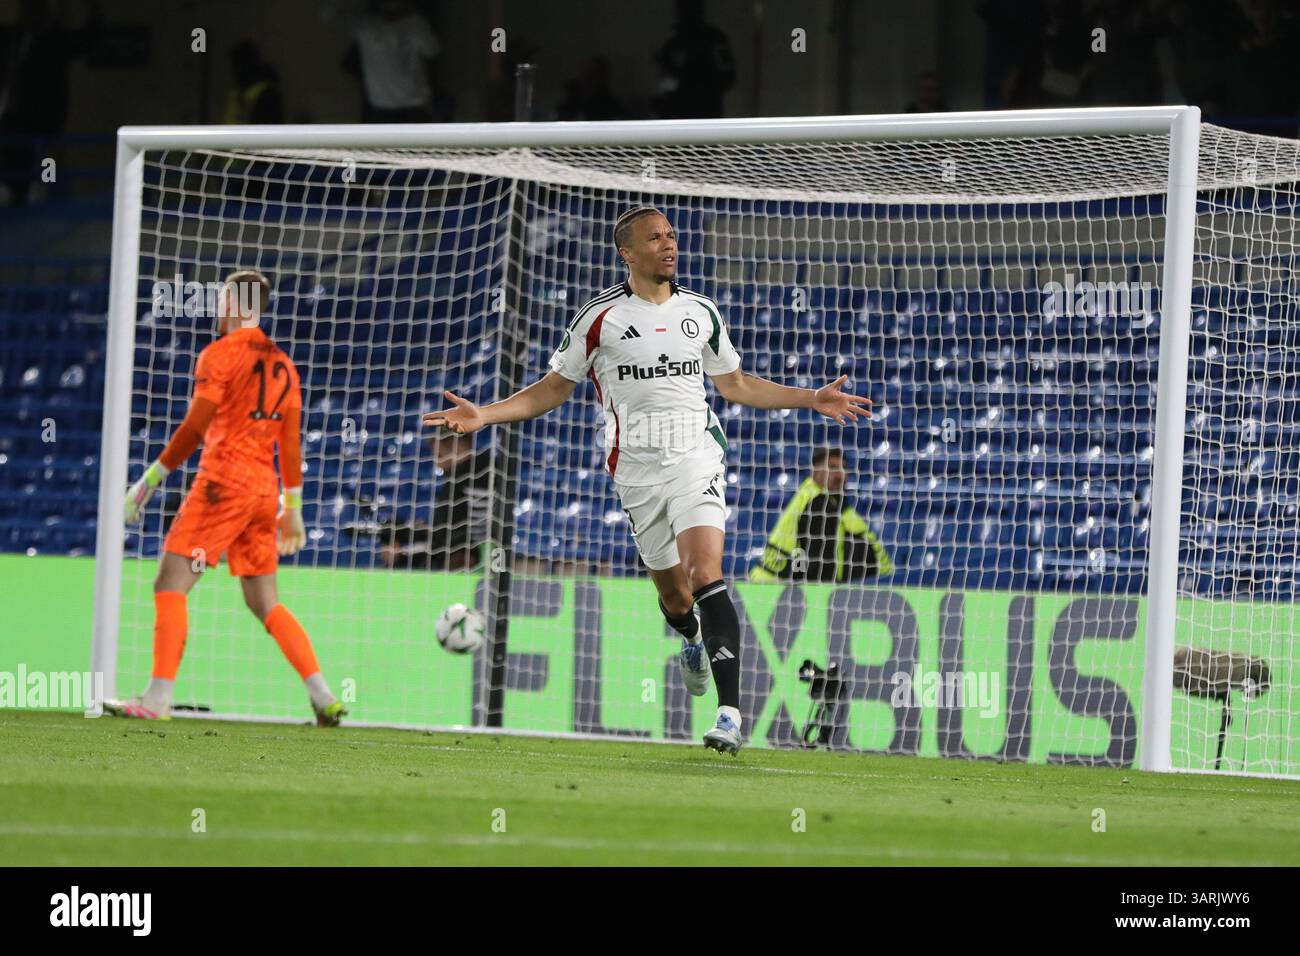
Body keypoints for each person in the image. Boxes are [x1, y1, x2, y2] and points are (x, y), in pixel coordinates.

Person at [423, 206, 871, 755]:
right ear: (627, 253)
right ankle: (689, 639)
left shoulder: (700, 312)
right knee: (676, 597)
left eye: (672, 236)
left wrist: (810, 397)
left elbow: (734, 384)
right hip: (635, 474)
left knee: (706, 571)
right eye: (655, 238)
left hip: (695, 458)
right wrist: (485, 415)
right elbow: (551, 389)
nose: (668, 244)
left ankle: (729, 715)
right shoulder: (599, 318)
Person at [108, 270, 345, 726]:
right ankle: (323, 696)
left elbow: (196, 428)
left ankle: (156, 699)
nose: (217, 309)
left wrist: (150, 480)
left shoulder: (219, 355)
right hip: (263, 493)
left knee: (170, 584)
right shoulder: (284, 365)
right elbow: (290, 443)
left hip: (223, 485)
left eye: (221, 300)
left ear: (237, 303)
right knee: (264, 601)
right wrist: (291, 509)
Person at [748, 446, 893, 584]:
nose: (840, 474)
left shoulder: (819, 498)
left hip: (768, 583)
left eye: (844, 468)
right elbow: (818, 563)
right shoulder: (819, 503)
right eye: (833, 467)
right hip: (778, 588)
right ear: (815, 471)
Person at [379, 432, 491, 570]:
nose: (438, 464)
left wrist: (403, 553)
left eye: (440, 456)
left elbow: (462, 537)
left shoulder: (465, 478)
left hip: (464, 561)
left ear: (455, 446)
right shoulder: (482, 471)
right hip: (464, 553)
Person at [323, 0, 440, 122]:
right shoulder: (366, 26)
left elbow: (432, 50)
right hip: (380, 108)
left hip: (414, 105)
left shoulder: (415, 24)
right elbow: (328, 15)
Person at [651, 0, 734, 119]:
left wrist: (699, 87)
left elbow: (728, 77)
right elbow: (667, 81)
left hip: (708, 114)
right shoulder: (674, 44)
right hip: (679, 117)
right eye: (683, 9)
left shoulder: (715, 39)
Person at [223, 40, 283, 125]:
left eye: (240, 66)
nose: (235, 72)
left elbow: (264, 131)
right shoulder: (235, 93)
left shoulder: (267, 95)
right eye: (234, 66)